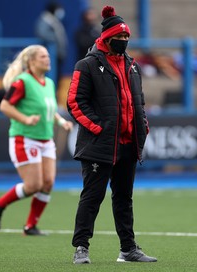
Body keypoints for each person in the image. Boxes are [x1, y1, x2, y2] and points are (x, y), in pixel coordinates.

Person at [67, 6, 157, 264]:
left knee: (124, 199)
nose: (125, 41)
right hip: (100, 144)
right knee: (92, 197)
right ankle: (81, 248)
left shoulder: (132, 66)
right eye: (121, 37)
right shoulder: (87, 65)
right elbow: (74, 102)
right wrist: (98, 128)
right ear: (107, 38)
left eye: (127, 37)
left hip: (128, 144)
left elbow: (138, 102)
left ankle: (128, 249)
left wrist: (143, 126)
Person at [0, 45, 73, 236]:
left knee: (48, 183)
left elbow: (49, 110)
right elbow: (4, 106)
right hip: (24, 139)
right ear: (31, 61)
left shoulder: (49, 83)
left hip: (45, 140)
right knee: (33, 185)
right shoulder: (22, 82)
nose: (48, 59)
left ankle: (30, 226)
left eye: (48, 56)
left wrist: (61, 121)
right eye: (43, 56)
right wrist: (26, 119)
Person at [35, 1, 68, 92]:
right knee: (50, 79)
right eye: (58, 9)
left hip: (57, 55)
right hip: (51, 55)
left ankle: (55, 101)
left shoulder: (54, 21)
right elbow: (42, 33)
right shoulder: (45, 20)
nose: (60, 12)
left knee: (57, 79)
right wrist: (54, 39)